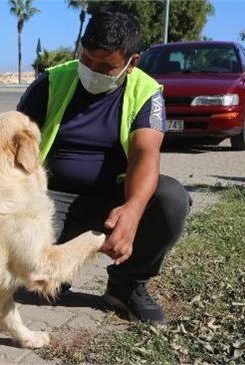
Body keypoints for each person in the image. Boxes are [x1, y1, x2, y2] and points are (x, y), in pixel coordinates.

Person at [17, 6, 191, 324]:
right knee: (27, 277)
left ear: (131, 62)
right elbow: (12, 142)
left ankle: (126, 286)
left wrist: (134, 209)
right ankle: (52, 276)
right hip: (49, 202)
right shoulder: (51, 82)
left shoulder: (146, 92)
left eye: (106, 67)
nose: (92, 71)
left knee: (171, 197)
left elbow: (145, 154)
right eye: (87, 59)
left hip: (111, 203)